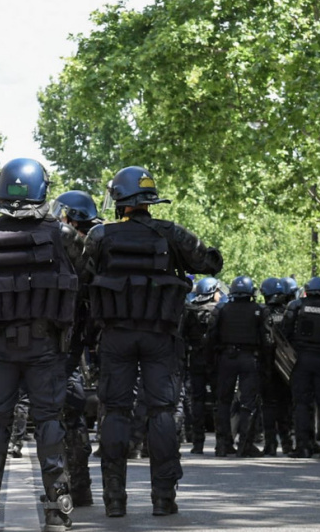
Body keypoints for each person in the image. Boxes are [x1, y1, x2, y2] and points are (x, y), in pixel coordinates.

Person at [0, 158, 84, 532]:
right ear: (42, 188)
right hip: (45, 346)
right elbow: (84, 281)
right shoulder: (64, 235)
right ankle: (58, 511)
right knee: (49, 424)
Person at [83, 166, 222, 518]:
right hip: (160, 335)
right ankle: (163, 497)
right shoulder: (172, 233)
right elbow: (211, 263)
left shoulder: (100, 236)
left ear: (118, 199)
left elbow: (82, 278)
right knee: (161, 413)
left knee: (114, 411)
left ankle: (114, 497)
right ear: (149, 199)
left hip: (115, 336)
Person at [50, 189, 101, 507]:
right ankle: (80, 489)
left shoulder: (56, 243)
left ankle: (62, 490)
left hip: (47, 345)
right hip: (82, 345)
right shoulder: (98, 248)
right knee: (73, 415)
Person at [205, 276, 266, 458]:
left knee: (223, 402)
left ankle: (222, 445)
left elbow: (210, 338)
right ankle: (245, 446)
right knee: (248, 402)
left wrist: (211, 364)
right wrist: (265, 366)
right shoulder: (258, 310)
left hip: (226, 358)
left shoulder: (221, 309)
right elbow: (267, 340)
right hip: (249, 359)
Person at [281, 277, 320, 459]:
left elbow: (284, 332)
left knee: (302, 404)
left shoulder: (297, 306)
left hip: (301, 360)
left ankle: (303, 446)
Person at [179, 277, 223, 454]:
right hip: (216, 359)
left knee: (197, 400)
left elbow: (182, 336)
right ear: (212, 293)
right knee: (219, 401)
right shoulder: (219, 311)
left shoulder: (190, 310)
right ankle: (222, 443)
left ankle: (198, 444)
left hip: (196, 358)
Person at [259, 277, 294, 456]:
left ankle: (270, 445)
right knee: (285, 406)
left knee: (268, 406)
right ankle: (287, 445)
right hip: (287, 367)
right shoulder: (289, 313)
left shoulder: (261, 313)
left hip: (267, 367)